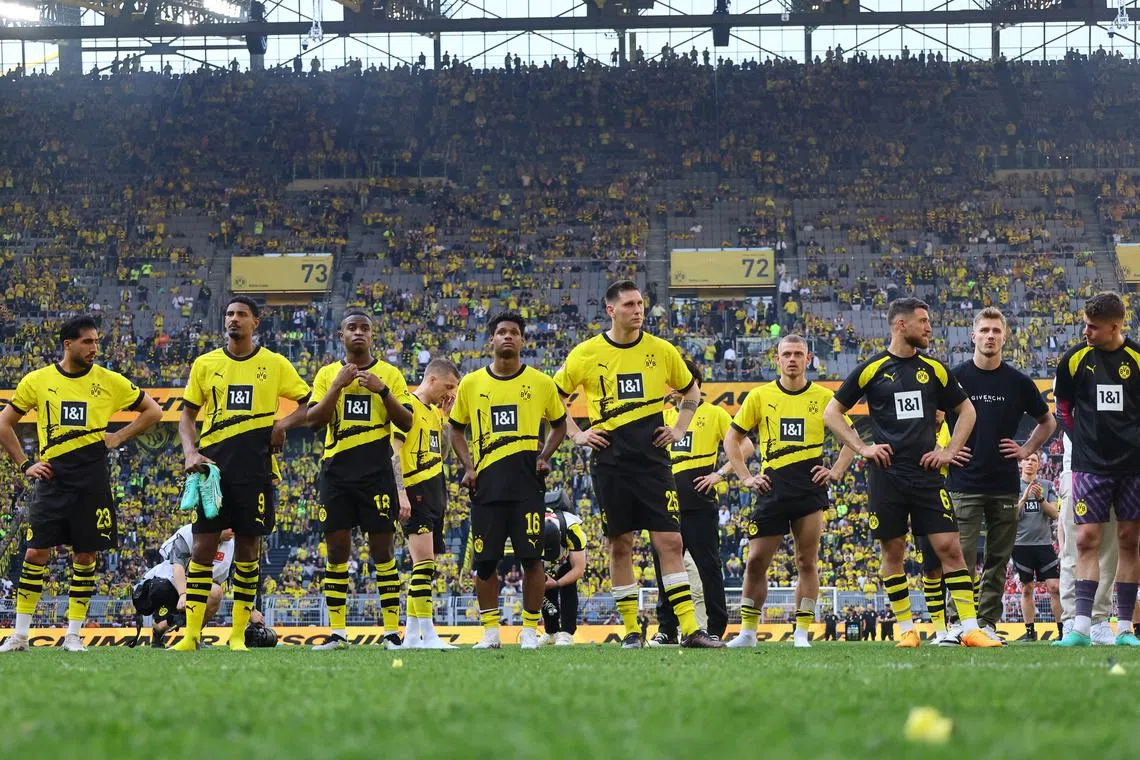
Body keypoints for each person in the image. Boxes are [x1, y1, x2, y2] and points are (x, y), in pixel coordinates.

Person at [824, 297, 1001, 648]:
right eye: (923, 321)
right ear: (900, 325)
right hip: (886, 475)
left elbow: (967, 411)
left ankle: (970, 628)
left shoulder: (934, 369)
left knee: (950, 548)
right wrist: (863, 448)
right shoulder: (871, 369)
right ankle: (906, 629)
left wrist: (948, 451)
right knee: (892, 553)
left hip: (927, 474)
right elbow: (832, 412)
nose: (929, 327)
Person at [553, 280, 722, 648]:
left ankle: (691, 630)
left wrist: (679, 427)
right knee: (620, 545)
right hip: (610, 461)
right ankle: (631, 631)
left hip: (653, 460)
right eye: (630, 304)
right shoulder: (586, 353)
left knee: (671, 541)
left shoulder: (661, 350)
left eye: (641, 303)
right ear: (611, 310)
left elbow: (691, 389)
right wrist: (576, 434)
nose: (638, 310)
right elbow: (554, 398)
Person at [0, 315, 161, 653]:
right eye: (88, 342)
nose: (94, 348)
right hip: (53, 476)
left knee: (85, 556)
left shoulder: (109, 381)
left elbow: (153, 411)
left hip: (92, 477)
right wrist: (25, 464)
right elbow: (4, 422)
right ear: (68, 344)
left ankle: (73, 634)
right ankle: (20, 635)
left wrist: (118, 435)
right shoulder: (38, 381)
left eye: (97, 342)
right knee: (35, 552)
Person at [170, 296, 311, 652]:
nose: (234, 319)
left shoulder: (275, 363)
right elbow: (186, 416)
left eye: (242, 315)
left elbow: (308, 403)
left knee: (248, 550)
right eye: (229, 314)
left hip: (256, 468)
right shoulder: (206, 363)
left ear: (255, 323)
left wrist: (283, 423)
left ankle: (236, 636)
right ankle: (190, 635)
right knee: (202, 549)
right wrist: (190, 451)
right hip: (213, 470)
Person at [724, 335, 853, 649]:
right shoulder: (759, 396)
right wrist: (745, 477)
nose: (792, 359)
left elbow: (851, 438)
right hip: (772, 487)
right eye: (787, 354)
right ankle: (748, 633)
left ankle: (801, 633)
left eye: (798, 354)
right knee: (755, 561)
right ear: (777, 359)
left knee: (806, 562)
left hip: (809, 489)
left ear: (808, 359)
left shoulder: (825, 398)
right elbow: (731, 438)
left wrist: (835, 471)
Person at [449, 312, 567, 650]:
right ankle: (490, 633)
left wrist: (544, 456)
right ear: (491, 340)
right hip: (486, 486)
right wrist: (468, 466)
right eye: (501, 332)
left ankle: (529, 630)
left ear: (523, 340)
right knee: (486, 562)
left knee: (532, 559)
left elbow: (559, 424)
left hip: (527, 486)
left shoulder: (542, 383)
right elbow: (455, 428)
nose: (508, 337)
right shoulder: (471, 384)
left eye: (514, 332)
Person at [945, 307, 1055, 644]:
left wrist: (1025, 450)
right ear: (973, 335)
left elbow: (1047, 421)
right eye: (985, 330)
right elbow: (931, 417)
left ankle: (988, 623)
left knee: (996, 558)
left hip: (1004, 485)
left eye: (996, 331)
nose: (990, 336)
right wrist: (949, 448)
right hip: (964, 482)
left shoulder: (1018, 381)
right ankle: (958, 623)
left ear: (1005, 337)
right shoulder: (954, 377)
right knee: (961, 556)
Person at [308, 310, 414, 651]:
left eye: (364, 328)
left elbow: (408, 423)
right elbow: (314, 420)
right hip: (336, 473)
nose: (358, 333)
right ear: (341, 335)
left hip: (376, 473)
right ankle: (337, 633)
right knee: (337, 550)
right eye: (352, 328)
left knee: (382, 551)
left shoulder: (390, 374)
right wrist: (338, 384)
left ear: (372, 335)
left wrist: (383, 392)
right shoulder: (327, 373)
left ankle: (390, 633)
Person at [1053, 292, 1140, 647]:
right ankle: (1081, 628)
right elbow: (1063, 408)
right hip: (1090, 467)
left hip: (1133, 467)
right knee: (1085, 540)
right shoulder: (1073, 360)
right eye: (1085, 324)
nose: (1085, 331)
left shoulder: (1136, 359)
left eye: (1093, 327)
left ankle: (1125, 629)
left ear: (1115, 326)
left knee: (1129, 542)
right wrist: (1084, 441)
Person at [649, 359, 739, 645]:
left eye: (684, 385)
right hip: (666, 502)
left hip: (700, 502)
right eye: (675, 386)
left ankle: (715, 626)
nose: (677, 391)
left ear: (697, 384)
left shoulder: (715, 414)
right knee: (665, 564)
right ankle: (667, 628)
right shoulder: (663, 417)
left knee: (707, 565)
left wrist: (719, 474)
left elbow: (743, 445)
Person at [394, 357, 462, 650]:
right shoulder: (406, 407)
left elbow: (442, 454)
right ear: (432, 380)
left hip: (435, 489)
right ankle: (429, 635)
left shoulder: (433, 413)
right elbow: (394, 453)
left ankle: (411, 636)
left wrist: (446, 419)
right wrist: (400, 493)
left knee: (425, 564)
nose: (451, 394)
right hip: (415, 488)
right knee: (424, 564)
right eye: (449, 386)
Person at [1056, 434, 1118, 644]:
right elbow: (1064, 415)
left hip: (1116, 471)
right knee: (1075, 548)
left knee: (1109, 553)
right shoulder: (1075, 402)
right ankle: (1072, 619)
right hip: (1076, 470)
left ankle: (1099, 620)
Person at [133, 525, 235, 647]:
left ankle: (194, 635)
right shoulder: (190, 533)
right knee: (163, 626)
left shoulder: (231, 546)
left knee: (216, 592)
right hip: (169, 581)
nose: (232, 530)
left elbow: (217, 580)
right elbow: (177, 566)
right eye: (227, 526)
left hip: (196, 584)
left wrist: (251, 610)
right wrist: (183, 594)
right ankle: (157, 632)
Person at [1011, 455, 1061, 642]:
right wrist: (1023, 499)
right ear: (1021, 463)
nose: (1030, 462)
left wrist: (1040, 499)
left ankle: (1061, 630)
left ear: (1039, 464)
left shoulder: (1047, 485)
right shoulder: (1013, 486)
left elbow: (1055, 514)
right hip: (1021, 545)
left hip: (1044, 544)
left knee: (1055, 587)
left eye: (1034, 460)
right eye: (1027, 460)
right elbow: (1010, 517)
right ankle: (1030, 633)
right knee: (1027, 588)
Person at [539, 489, 588, 646]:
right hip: (541, 557)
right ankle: (551, 631)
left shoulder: (573, 529)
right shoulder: (528, 530)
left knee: (568, 585)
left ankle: (567, 632)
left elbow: (578, 569)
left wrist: (558, 582)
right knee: (544, 587)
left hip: (567, 557)